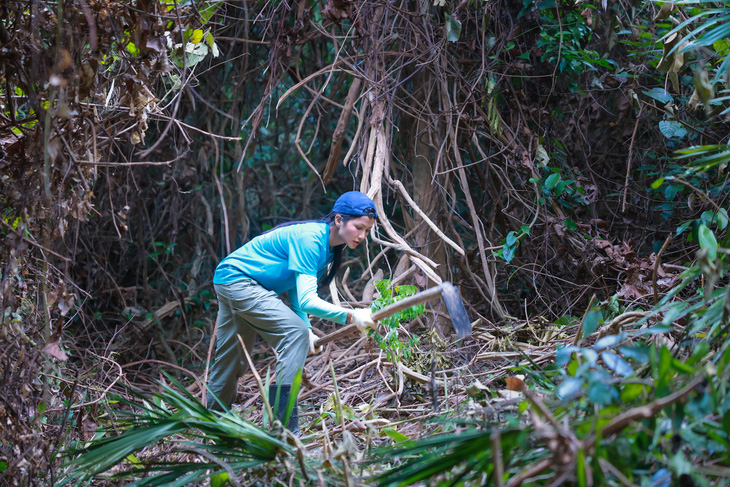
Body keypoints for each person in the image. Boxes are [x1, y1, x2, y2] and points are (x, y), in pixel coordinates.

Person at [206, 191, 378, 430]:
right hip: (238, 281)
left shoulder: (326, 249)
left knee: (231, 361)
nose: (362, 236)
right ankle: (284, 430)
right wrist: (351, 315)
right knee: (293, 334)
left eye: (367, 231)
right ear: (339, 220)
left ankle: (210, 428)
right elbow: (308, 299)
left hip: (228, 280)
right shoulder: (311, 239)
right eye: (359, 227)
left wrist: (307, 328)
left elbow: (298, 294)